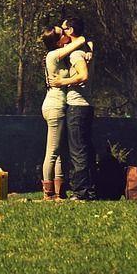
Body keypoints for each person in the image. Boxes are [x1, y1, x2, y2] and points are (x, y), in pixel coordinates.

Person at [39, 25, 88, 200]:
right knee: (52, 151)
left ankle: (59, 192)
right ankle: (48, 193)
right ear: (58, 42)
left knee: (59, 151)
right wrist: (78, 38)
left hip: (58, 105)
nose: (66, 34)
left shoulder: (59, 56)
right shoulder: (53, 55)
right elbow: (81, 40)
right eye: (62, 33)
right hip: (54, 106)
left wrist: (89, 53)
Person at [50, 16, 96, 201]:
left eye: (64, 29)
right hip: (85, 106)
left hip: (77, 105)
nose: (62, 32)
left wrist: (62, 81)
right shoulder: (84, 49)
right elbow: (88, 42)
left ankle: (81, 192)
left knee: (77, 151)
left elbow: (83, 76)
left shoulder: (76, 54)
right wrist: (90, 48)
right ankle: (89, 190)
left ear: (70, 31)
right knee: (84, 149)